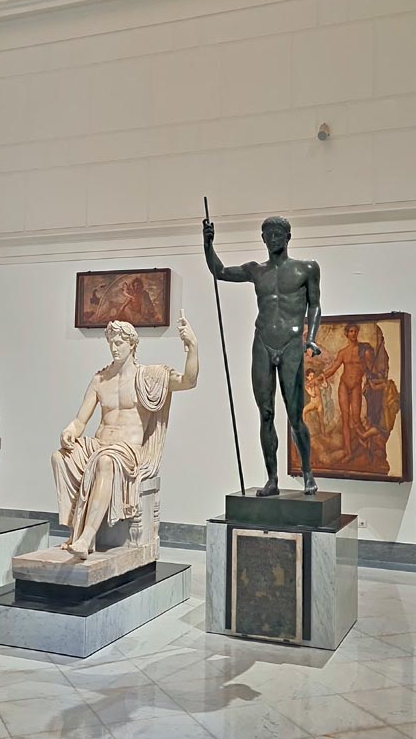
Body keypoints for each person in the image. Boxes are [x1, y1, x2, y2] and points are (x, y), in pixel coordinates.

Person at [54, 315, 198, 558]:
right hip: (99, 443)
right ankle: (74, 531)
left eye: (119, 342)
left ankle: (87, 536)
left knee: (105, 462)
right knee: (60, 457)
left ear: (132, 344)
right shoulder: (100, 379)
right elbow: (80, 421)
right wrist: (69, 432)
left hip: (126, 450)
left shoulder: (149, 377)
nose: (114, 347)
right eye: (111, 342)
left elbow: (188, 381)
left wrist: (192, 346)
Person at [204, 216, 321, 496]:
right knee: (266, 414)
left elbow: (315, 306)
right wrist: (208, 243)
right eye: (268, 234)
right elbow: (219, 271)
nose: (274, 238)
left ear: (288, 236)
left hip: (292, 342)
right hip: (263, 342)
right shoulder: (257, 271)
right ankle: (272, 479)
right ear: (263, 238)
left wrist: (312, 338)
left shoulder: (306, 268)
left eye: (279, 233)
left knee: (295, 416)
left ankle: (307, 473)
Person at [324, 323, 374, 463]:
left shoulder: (364, 350)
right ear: (346, 334)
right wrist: (319, 377)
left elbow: (371, 370)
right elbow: (332, 369)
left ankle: (367, 444)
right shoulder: (343, 352)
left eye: (355, 331)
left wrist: (370, 384)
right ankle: (348, 452)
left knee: (356, 419)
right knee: (345, 420)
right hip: (344, 385)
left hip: (356, 386)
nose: (353, 333)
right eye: (350, 331)